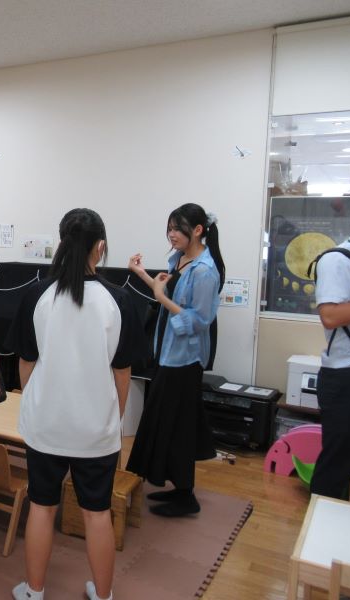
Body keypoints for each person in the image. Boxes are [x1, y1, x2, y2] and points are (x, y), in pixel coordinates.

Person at [7, 208, 141, 600]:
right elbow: (122, 372)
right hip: (95, 429)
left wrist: (35, 401)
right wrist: (114, 418)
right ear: (100, 247)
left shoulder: (36, 294)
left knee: (42, 507)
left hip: (45, 425)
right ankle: (103, 594)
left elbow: (26, 364)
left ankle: (34, 591)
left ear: (63, 242)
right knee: (97, 513)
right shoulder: (118, 300)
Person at [126, 202, 225, 517]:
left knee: (178, 425)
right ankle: (180, 488)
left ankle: (186, 494)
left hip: (186, 359)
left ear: (197, 230)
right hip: (169, 352)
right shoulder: (180, 259)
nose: (171, 234)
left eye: (177, 229)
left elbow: (200, 320)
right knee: (167, 421)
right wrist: (141, 274)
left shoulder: (205, 270)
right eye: (169, 228)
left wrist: (161, 297)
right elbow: (164, 294)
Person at [310, 188, 350, 499]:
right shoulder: (337, 260)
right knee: (339, 465)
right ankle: (322, 523)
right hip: (347, 376)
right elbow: (330, 316)